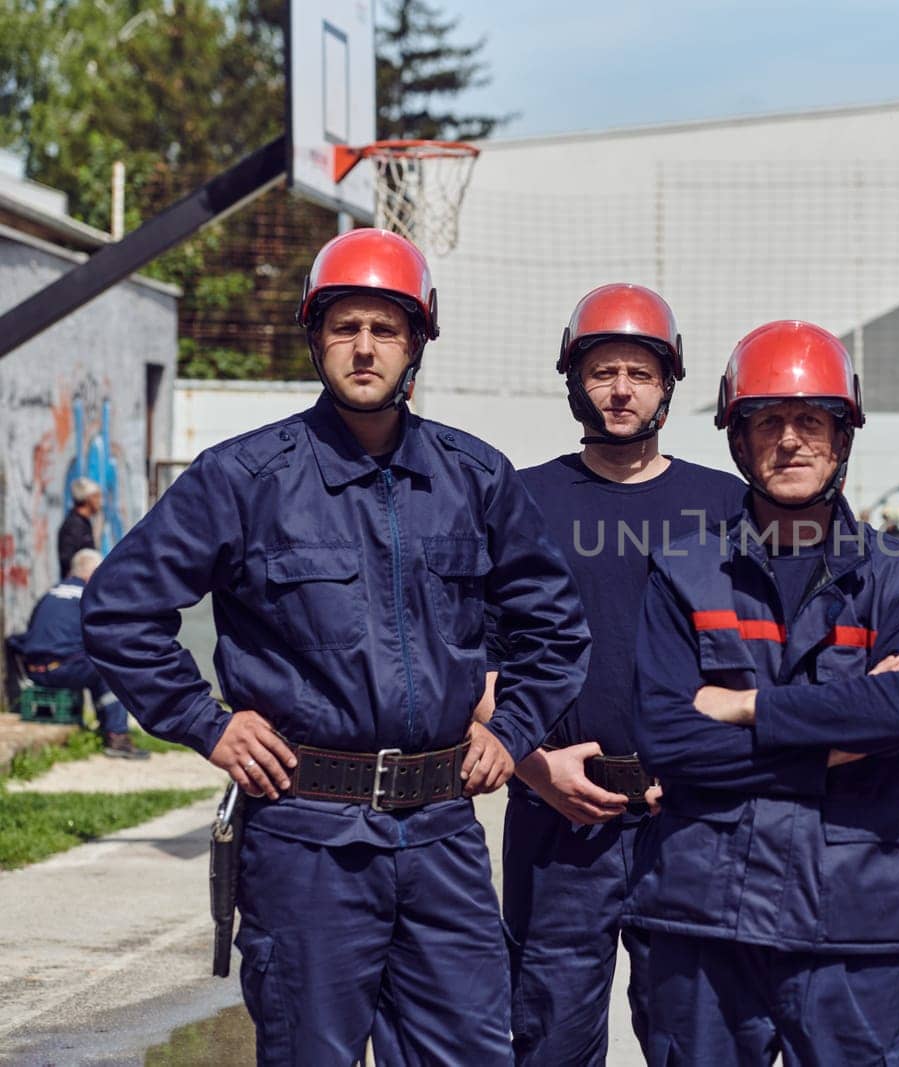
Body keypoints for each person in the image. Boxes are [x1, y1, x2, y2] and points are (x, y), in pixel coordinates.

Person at [82, 228, 591, 1065]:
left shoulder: (476, 478)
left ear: (418, 340)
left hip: (442, 835)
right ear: (316, 339)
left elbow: (556, 625)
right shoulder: (244, 478)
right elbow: (118, 611)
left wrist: (513, 729)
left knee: (468, 1052)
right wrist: (205, 724)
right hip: (305, 838)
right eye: (344, 325)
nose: (363, 346)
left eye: (384, 328)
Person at [627, 320, 899, 1064]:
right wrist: (833, 748)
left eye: (811, 421)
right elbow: (668, 738)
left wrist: (749, 707)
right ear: (739, 440)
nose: (791, 440)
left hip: (854, 923)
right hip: (705, 916)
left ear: (843, 438)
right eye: (769, 421)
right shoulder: (684, 570)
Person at [482, 284, 745, 1065]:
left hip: (693, 825)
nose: (621, 388)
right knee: (550, 1040)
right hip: (560, 818)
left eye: (639, 372)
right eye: (602, 371)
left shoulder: (726, 505)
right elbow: (477, 655)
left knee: (699, 1042)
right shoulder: (519, 497)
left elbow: (761, 663)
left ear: (669, 386)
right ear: (574, 382)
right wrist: (532, 768)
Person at [16, 548, 148, 759]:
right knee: (112, 665)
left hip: (34, 672)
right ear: (94, 573)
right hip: (63, 671)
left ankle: (104, 726)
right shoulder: (90, 597)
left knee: (91, 660)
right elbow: (107, 638)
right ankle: (117, 736)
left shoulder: (50, 594)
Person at [58, 477, 100, 579]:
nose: (100, 502)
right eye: (97, 497)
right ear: (89, 498)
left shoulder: (84, 523)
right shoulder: (74, 525)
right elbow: (67, 560)